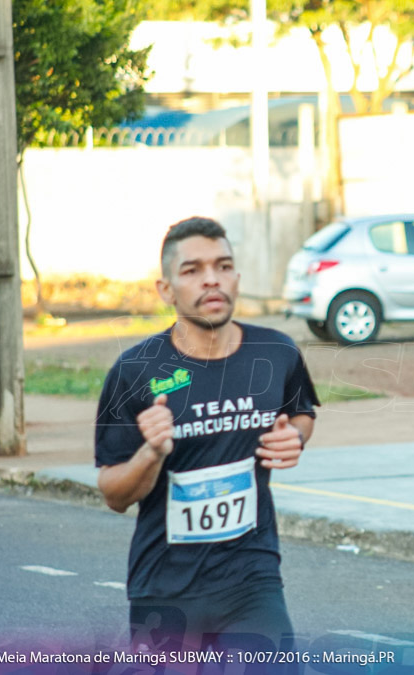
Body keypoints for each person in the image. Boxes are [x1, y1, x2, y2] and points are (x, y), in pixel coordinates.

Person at [94, 217, 319, 653]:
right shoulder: (135, 372)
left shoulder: (276, 352)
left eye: (223, 265)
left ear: (237, 276)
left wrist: (295, 436)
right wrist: (152, 454)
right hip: (164, 589)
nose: (211, 279)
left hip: (252, 580)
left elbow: (301, 413)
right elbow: (114, 494)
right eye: (192, 270)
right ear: (166, 289)